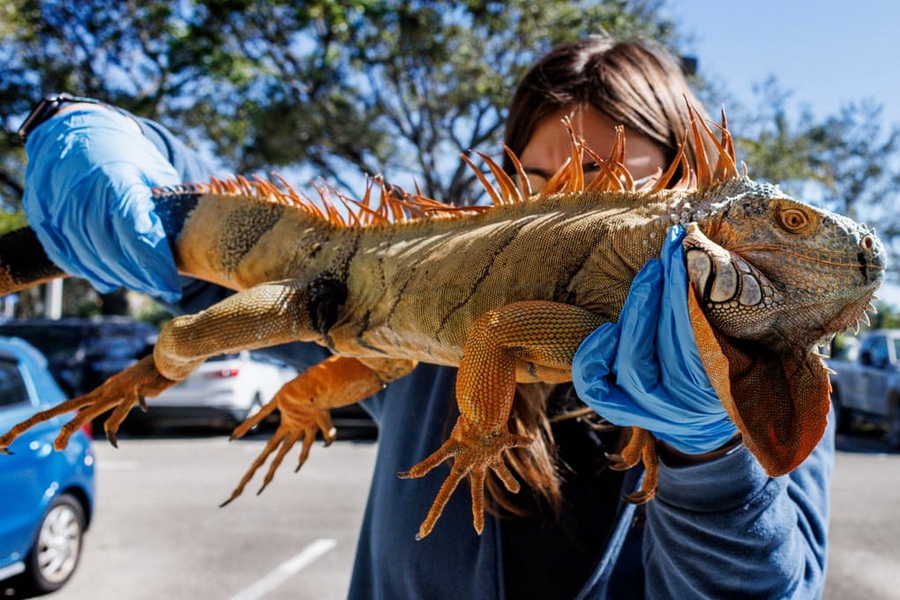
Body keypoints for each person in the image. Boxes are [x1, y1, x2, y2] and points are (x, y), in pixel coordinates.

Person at [19, 35, 832, 599]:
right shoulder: (427, 314)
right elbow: (237, 250)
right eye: (538, 184)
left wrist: (710, 452)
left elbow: (768, 590)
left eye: (609, 184)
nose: (566, 207)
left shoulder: (765, 363)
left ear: (688, 194)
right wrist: (96, 130)